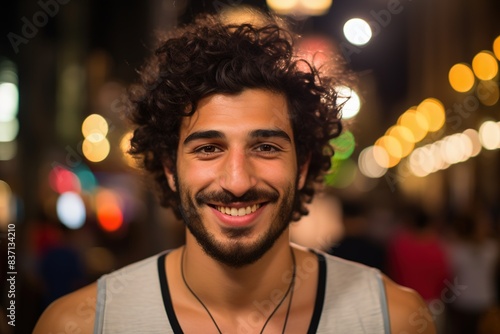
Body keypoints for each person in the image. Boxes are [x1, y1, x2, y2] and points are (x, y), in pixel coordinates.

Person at [34, 8, 435, 334]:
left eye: (265, 147)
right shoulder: (80, 324)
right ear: (171, 169)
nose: (238, 181)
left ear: (303, 167)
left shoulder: (392, 319)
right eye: (208, 149)